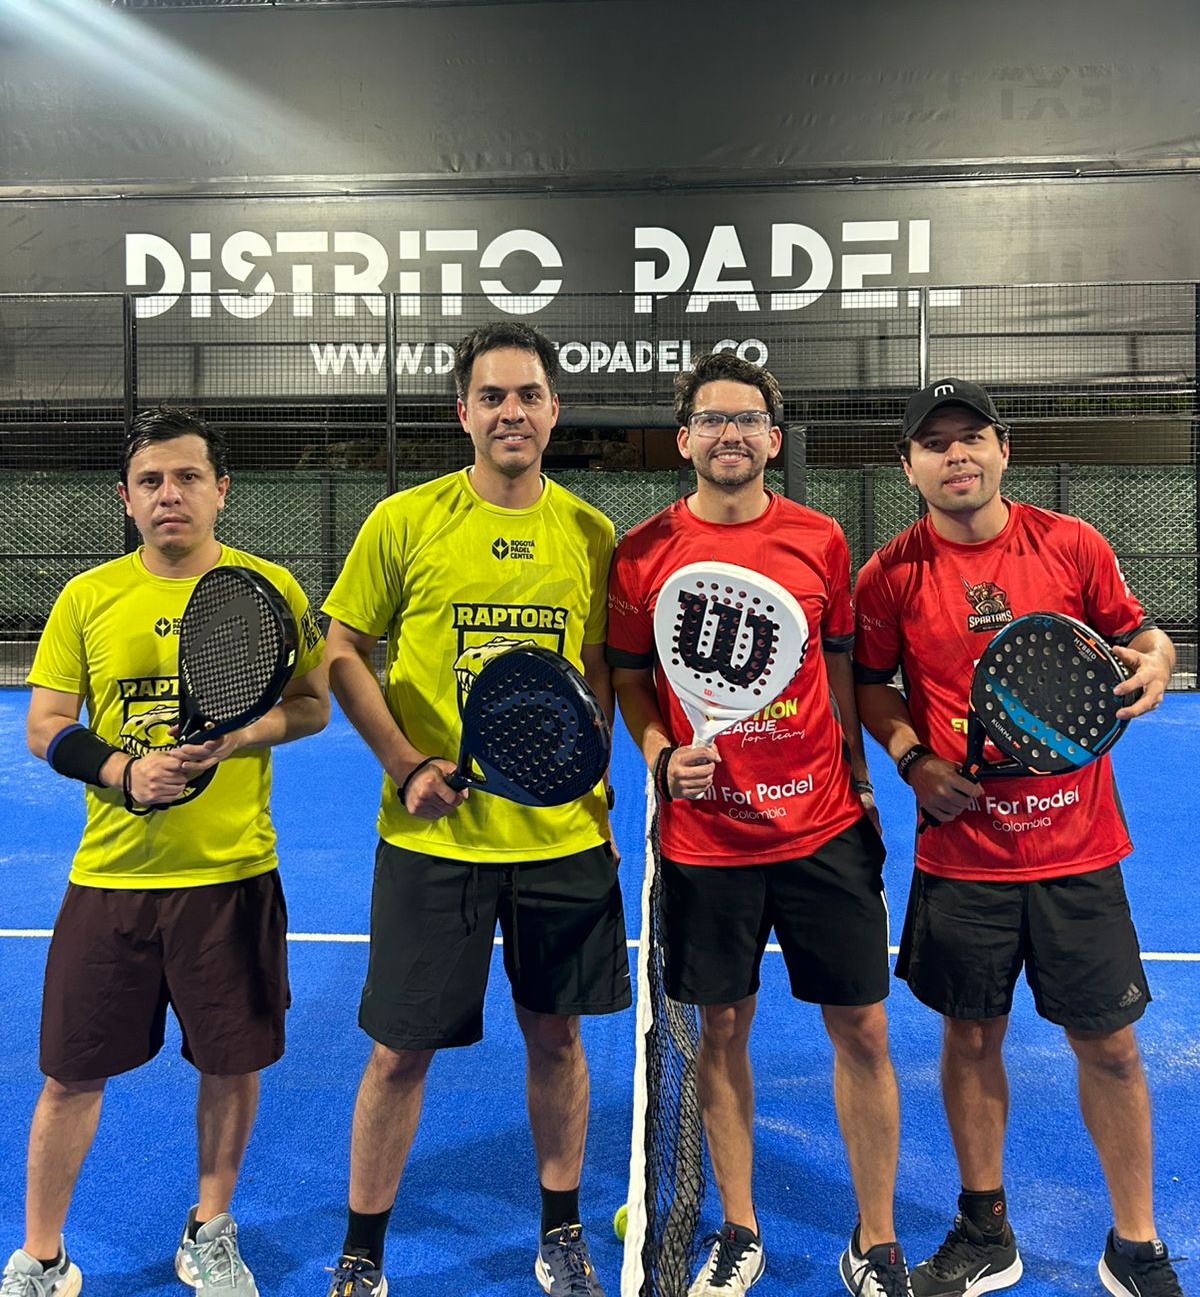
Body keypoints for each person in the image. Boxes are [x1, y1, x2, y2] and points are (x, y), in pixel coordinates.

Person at [321, 320, 629, 1297]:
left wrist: (594, 791)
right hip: (432, 838)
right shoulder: (404, 521)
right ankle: (362, 1252)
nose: (511, 412)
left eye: (528, 394)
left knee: (558, 1036)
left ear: (554, 410)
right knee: (398, 1051)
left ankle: (561, 1234)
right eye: (492, 396)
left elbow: (595, 672)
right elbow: (341, 649)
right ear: (463, 412)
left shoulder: (591, 535)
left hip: (559, 842)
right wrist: (406, 762)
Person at [853, 378, 1181, 1297]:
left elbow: (1145, 638)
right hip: (964, 856)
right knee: (968, 1040)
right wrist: (914, 760)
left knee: (1110, 1046)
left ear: (1003, 448)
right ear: (909, 465)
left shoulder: (1071, 544)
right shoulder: (888, 575)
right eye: (934, 443)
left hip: (1079, 849)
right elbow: (871, 685)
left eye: (972, 437)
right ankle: (985, 1228)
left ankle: (1135, 1243)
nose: (956, 455)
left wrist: (1158, 665)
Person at [3, 406, 329, 1297]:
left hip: (232, 877)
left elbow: (311, 705)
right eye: (150, 481)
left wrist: (242, 735)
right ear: (126, 498)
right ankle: (41, 1257)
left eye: (187, 477)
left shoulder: (270, 588)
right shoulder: (87, 597)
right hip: (110, 879)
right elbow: (44, 723)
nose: (169, 494)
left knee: (230, 1063)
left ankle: (209, 1231)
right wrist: (120, 770)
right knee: (69, 1073)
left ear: (222, 490)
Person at [607, 351, 909, 1297]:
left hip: (823, 830)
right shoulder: (642, 552)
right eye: (712, 418)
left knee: (863, 1030)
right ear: (685, 438)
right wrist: (660, 755)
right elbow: (628, 679)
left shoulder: (821, 540)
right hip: (707, 843)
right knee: (723, 1030)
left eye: (747, 419)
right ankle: (740, 1229)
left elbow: (836, 667)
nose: (729, 433)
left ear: (774, 440)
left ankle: (877, 1241)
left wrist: (858, 779)